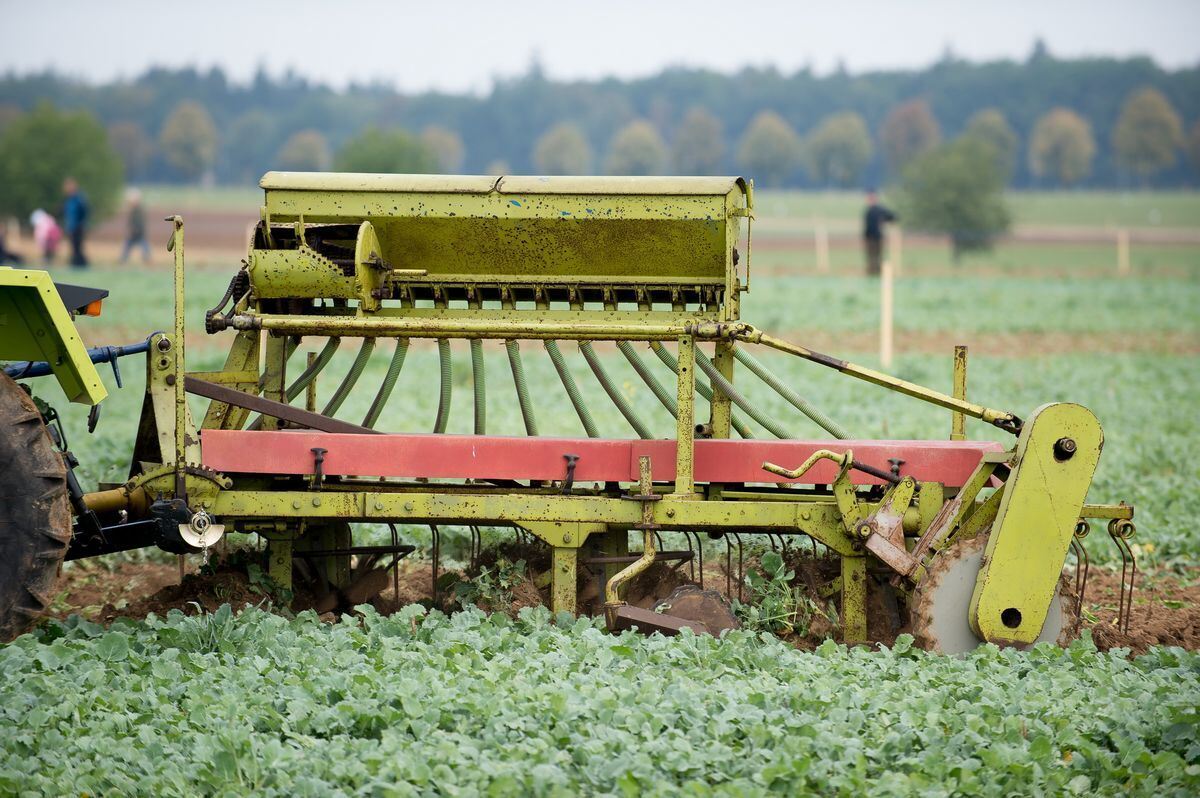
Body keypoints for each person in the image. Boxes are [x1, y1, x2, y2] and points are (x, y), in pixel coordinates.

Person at [862, 189, 896, 277]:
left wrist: (885, 221)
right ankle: (872, 273)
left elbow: (892, 216)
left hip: (877, 237)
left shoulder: (879, 210)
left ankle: (877, 272)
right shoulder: (869, 211)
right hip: (870, 237)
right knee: (871, 256)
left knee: (877, 255)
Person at [62, 177, 89, 268]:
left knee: (78, 247)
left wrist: (81, 224)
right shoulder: (69, 199)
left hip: (78, 227)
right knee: (74, 247)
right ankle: (77, 263)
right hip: (71, 227)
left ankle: (80, 264)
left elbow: (84, 211)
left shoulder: (79, 198)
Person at [119, 188, 151, 265]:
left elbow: (139, 222)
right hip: (135, 232)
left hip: (138, 232)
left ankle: (146, 258)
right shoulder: (134, 210)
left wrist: (135, 229)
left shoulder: (138, 210)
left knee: (141, 245)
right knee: (129, 245)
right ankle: (123, 259)